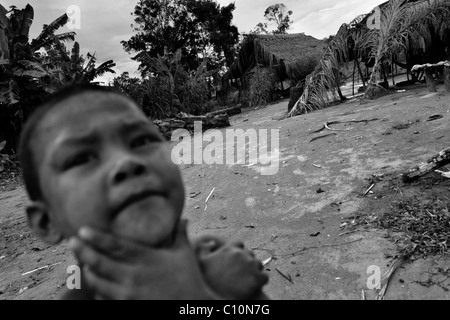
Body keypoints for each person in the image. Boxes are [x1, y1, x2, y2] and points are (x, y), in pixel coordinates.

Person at [18, 84, 269, 300]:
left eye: (142, 141)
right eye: (82, 157)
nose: (126, 162)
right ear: (46, 221)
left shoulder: (223, 266)